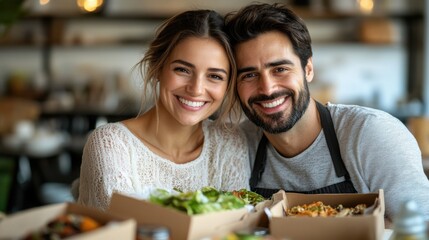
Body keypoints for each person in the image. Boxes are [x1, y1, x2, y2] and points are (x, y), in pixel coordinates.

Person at [225, 3, 429, 221]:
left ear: (308, 69)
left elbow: (421, 227)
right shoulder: (238, 146)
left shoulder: (372, 134)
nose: (267, 88)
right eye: (249, 75)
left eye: (280, 69)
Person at [76, 9, 251, 211]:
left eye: (215, 76)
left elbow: (238, 226)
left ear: (228, 84)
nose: (196, 89)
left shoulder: (229, 143)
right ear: (158, 67)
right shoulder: (111, 145)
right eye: (182, 70)